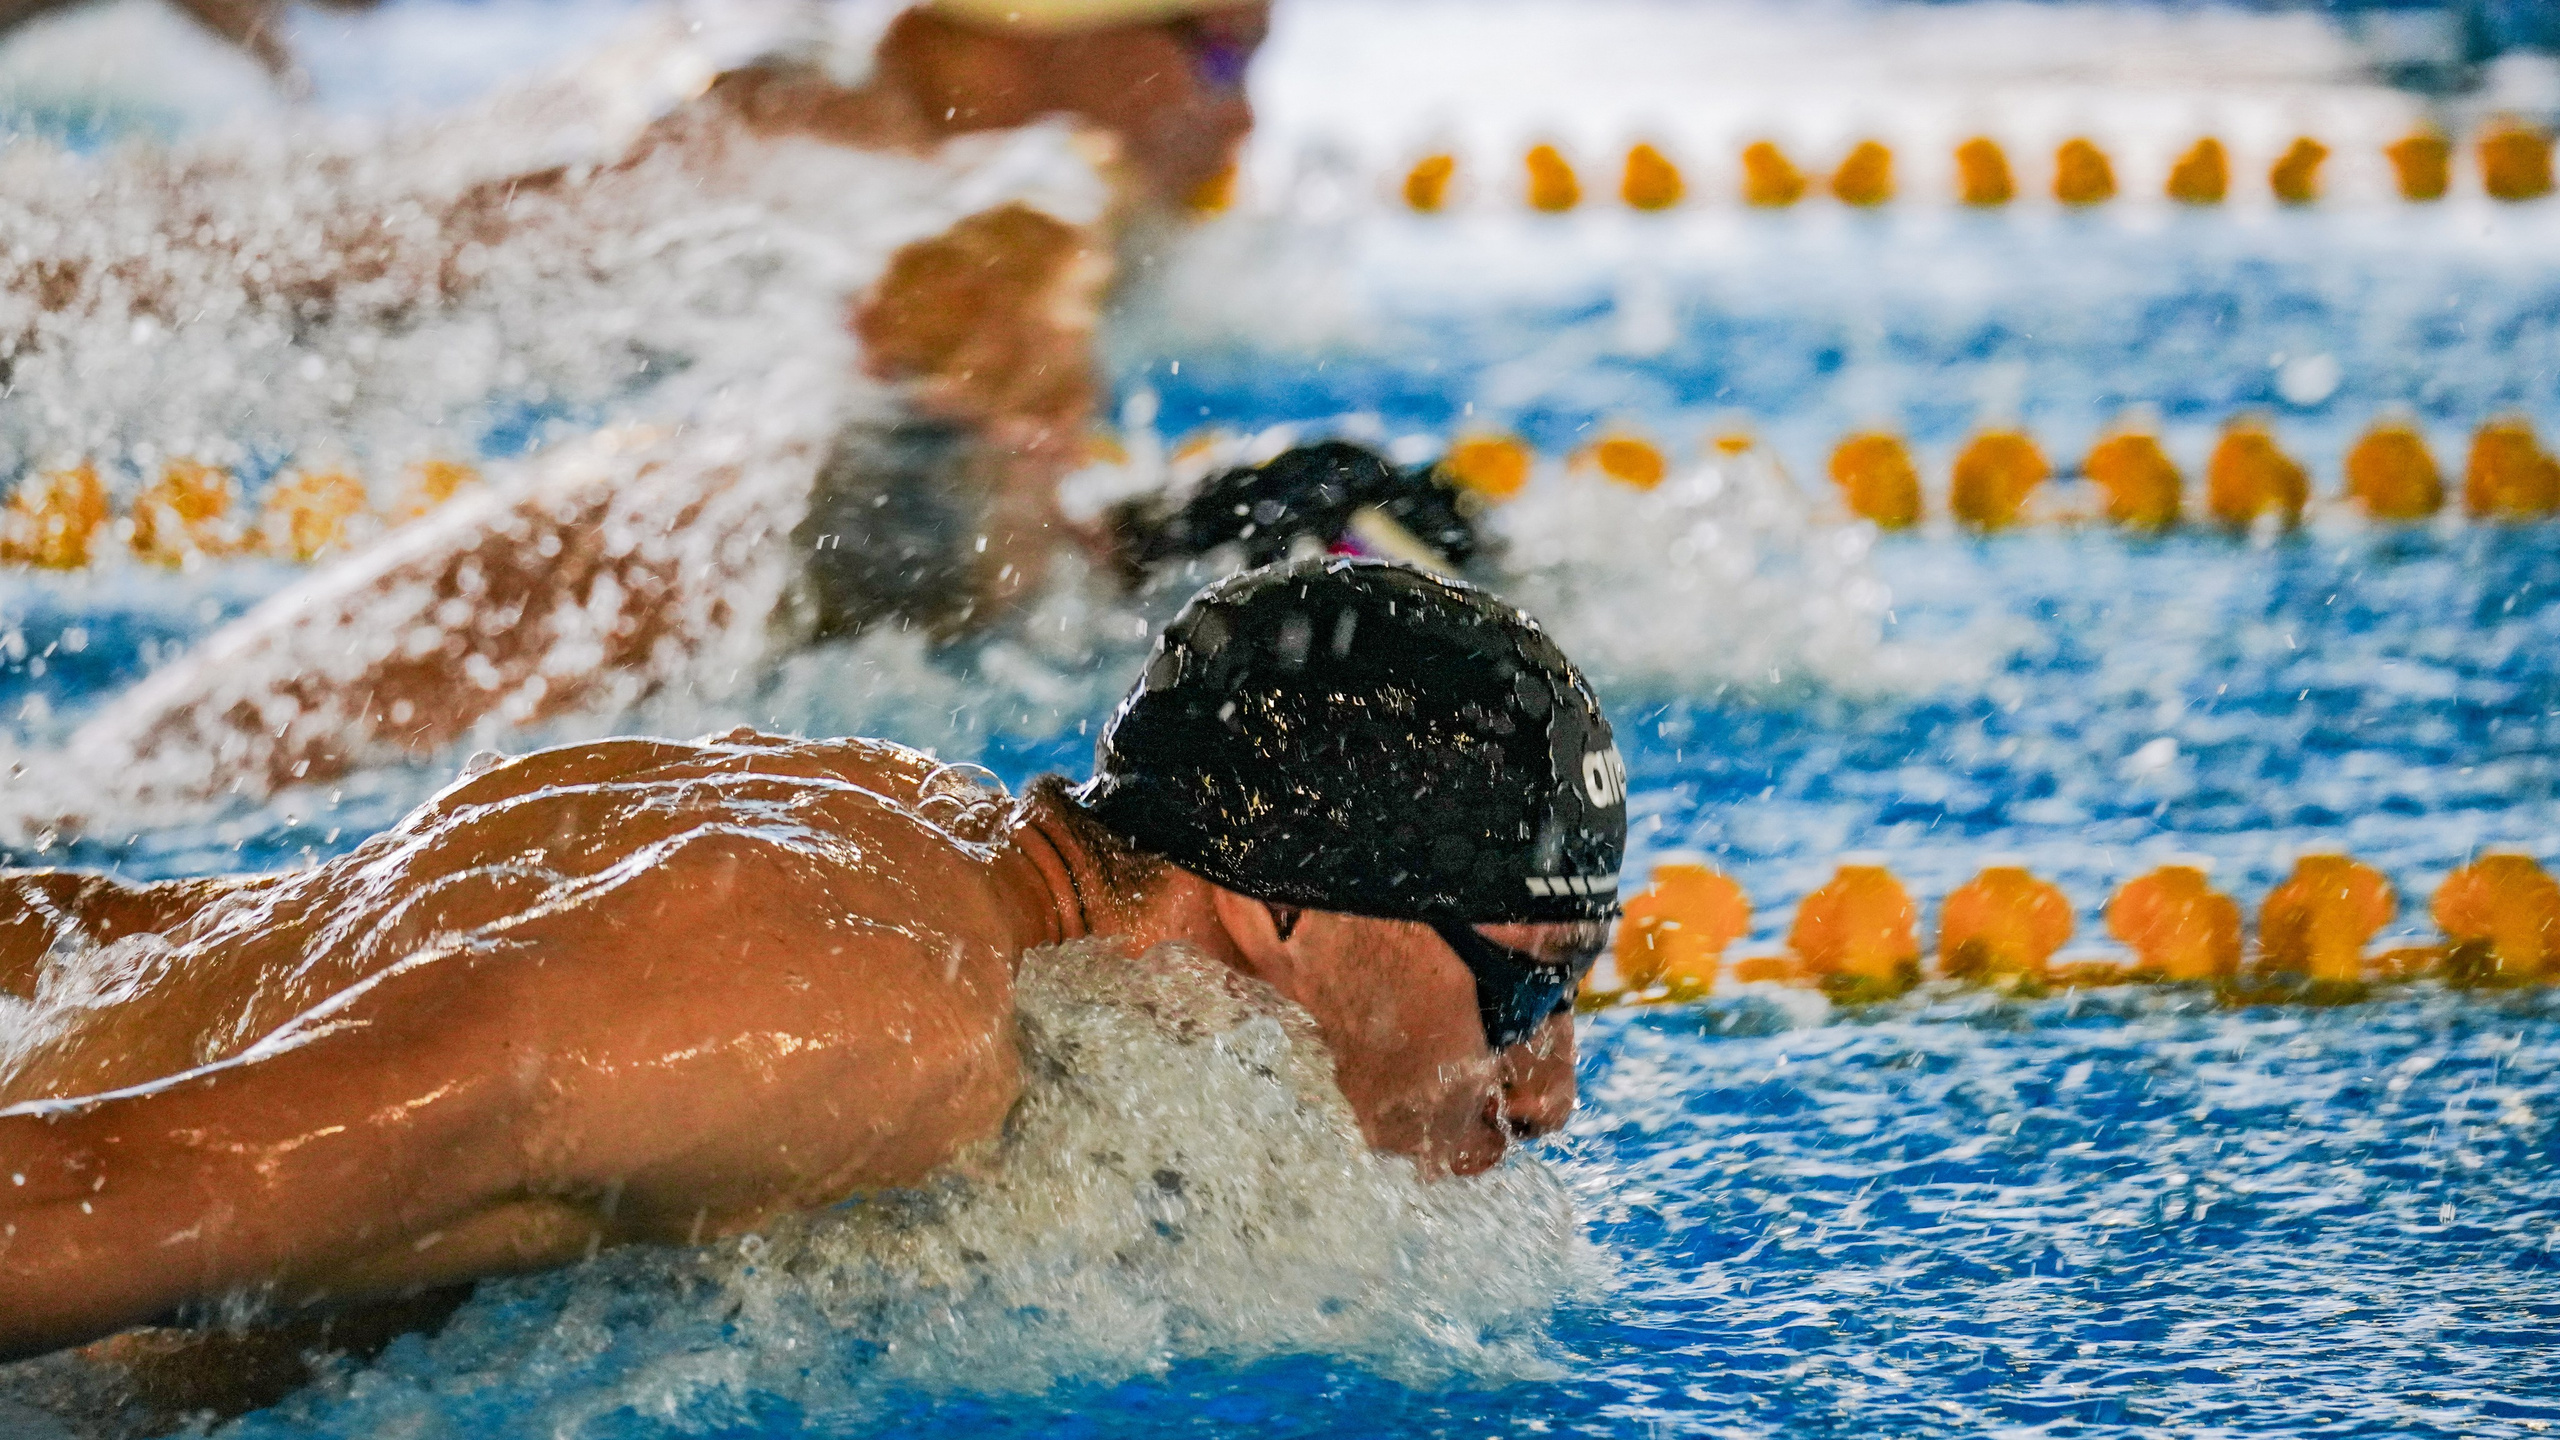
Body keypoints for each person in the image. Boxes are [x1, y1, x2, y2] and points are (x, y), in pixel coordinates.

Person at [0, 557, 1624, 1362]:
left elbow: (111, 947)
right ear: (1288, 912)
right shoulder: (854, 1011)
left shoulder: (899, 832)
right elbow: (89, 1201)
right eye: (1528, 988)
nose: (1546, 1090)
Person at [12, 0, 1273, 828]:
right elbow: (332, 256)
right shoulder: (890, 187)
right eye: (1219, 52)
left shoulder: (813, 123)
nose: (1242, 115)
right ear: (1015, 35)